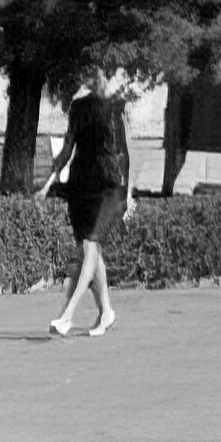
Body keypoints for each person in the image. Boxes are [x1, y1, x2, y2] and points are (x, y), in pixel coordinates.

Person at [37, 71, 135, 337]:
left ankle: (67, 315)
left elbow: (124, 152)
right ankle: (107, 313)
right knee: (90, 250)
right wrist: (49, 179)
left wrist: (128, 194)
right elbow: (69, 146)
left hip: (108, 186)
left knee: (90, 246)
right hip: (82, 185)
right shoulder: (79, 108)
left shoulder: (115, 109)